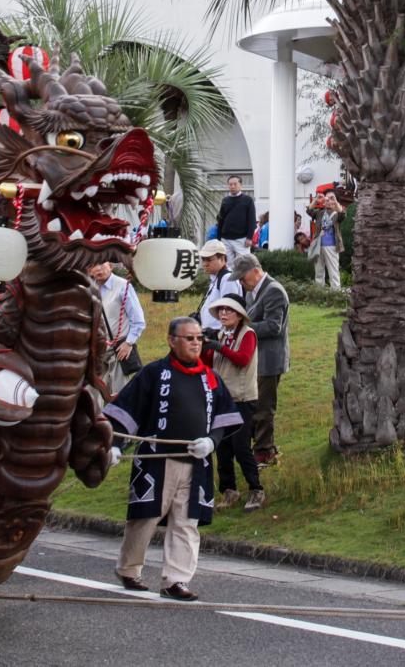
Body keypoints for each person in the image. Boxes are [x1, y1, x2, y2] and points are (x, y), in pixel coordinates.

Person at [104, 317, 244, 600]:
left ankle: (176, 579)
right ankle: (129, 569)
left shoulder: (211, 377)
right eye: (189, 338)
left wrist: (211, 442)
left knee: (186, 522)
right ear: (171, 340)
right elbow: (126, 411)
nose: (195, 343)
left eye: (199, 338)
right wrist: (116, 444)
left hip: (197, 462)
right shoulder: (154, 373)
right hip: (157, 458)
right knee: (146, 518)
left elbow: (222, 417)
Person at [204, 294, 264, 511]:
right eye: (220, 310)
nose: (223, 314)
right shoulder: (220, 334)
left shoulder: (248, 334)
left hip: (242, 398)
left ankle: (256, 489)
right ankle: (229, 491)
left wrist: (217, 346)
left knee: (241, 447)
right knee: (222, 448)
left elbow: (242, 359)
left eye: (228, 310)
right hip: (222, 399)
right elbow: (207, 364)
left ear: (239, 315)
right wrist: (203, 345)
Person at [238, 254, 289, 466]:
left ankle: (265, 452)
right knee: (254, 404)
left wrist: (241, 329)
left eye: (242, 278)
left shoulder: (273, 291)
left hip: (270, 359)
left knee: (264, 407)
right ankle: (261, 447)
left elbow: (273, 326)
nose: (241, 282)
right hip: (256, 357)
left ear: (255, 271)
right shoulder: (254, 291)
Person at [91, 260, 146, 397]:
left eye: (101, 264)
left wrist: (129, 343)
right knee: (94, 395)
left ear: (110, 266)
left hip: (119, 351)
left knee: (120, 396)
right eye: (93, 266)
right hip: (97, 351)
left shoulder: (123, 286)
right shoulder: (89, 288)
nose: (98, 269)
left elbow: (138, 320)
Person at [195, 241, 242, 335]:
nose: (205, 264)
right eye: (203, 259)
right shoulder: (216, 277)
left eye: (209, 259)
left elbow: (230, 313)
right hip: (210, 333)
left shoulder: (227, 279)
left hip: (218, 336)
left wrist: (223, 338)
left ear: (222, 258)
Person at [216, 176, 258, 267]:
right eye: (230, 184)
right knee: (227, 265)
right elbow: (220, 220)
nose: (232, 186)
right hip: (225, 239)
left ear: (241, 185)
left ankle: (244, 281)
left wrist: (249, 237)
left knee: (245, 265)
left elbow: (252, 220)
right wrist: (219, 238)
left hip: (242, 239)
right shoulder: (225, 200)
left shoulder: (248, 200)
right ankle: (230, 281)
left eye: (235, 184)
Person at [311, 190, 344, 289]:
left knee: (333, 272)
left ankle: (336, 295)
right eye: (327, 198)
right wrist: (316, 199)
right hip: (318, 246)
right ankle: (319, 293)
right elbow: (309, 210)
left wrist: (336, 202)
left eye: (331, 198)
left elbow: (343, 215)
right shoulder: (320, 213)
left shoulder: (337, 213)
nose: (329, 200)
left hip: (332, 246)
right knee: (319, 272)